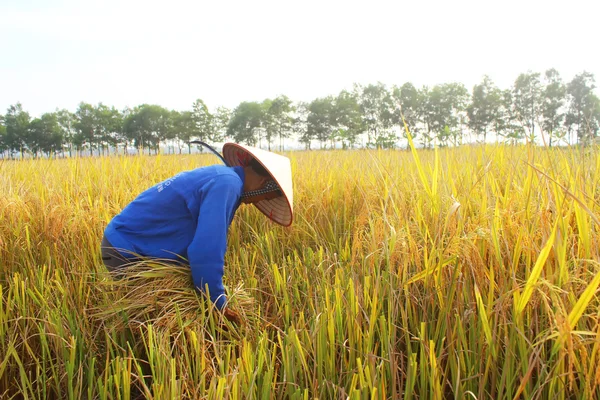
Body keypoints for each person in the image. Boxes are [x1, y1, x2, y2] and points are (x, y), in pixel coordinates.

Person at [100, 142, 293, 323]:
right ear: (265, 183)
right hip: (128, 250)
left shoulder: (223, 177)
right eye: (271, 194)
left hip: (128, 242)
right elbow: (206, 250)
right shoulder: (227, 184)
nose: (265, 199)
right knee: (160, 324)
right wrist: (217, 305)